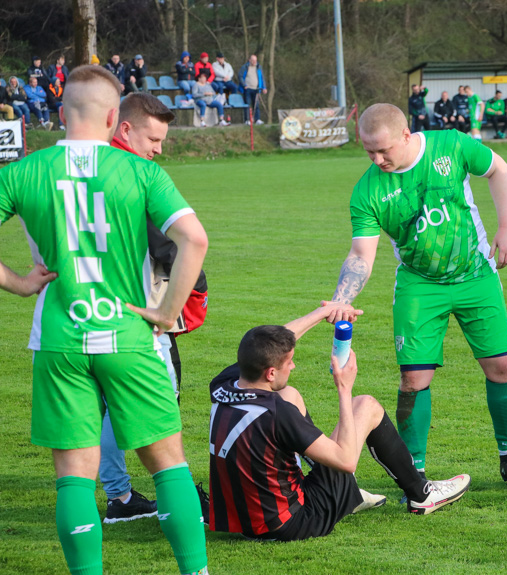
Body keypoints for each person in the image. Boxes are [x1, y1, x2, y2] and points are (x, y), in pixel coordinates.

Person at [0, 64, 209, 575]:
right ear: (116, 116)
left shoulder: (22, 171)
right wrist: (165, 312)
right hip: (129, 336)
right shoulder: (139, 171)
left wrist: (20, 283)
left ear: (58, 111)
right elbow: (195, 240)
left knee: (74, 475)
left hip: (60, 338)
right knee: (168, 465)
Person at [327, 103, 507, 491]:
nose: (377, 159)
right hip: (419, 285)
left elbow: (499, 169)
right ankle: (413, 470)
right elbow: (361, 255)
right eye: (368, 151)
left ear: (406, 135)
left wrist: (506, 227)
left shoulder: (451, 146)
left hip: (476, 275)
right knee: (413, 379)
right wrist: (342, 296)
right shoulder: (367, 191)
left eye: (383, 150)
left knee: (501, 368)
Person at [208, 304, 472, 541]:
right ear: (271, 372)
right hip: (291, 523)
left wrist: (323, 312)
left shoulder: (223, 385)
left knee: (290, 394)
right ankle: (421, 494)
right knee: (365, 405)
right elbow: (347, 461)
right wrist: (344, 388)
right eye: (289, 362)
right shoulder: (276, 413)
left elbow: (274, 345)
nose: (294, 366)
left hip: (244, 522)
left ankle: (348, 493)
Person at [103, 92, 211, 524]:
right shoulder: (137, 174)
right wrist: (192, 299)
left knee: (98, 412)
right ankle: (179, 501)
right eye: (153, 138)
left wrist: (21, 282)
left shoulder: (54, 167)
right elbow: (183, 242)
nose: (159, 150)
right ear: (124, 128)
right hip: (137, 319)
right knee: (162, 407)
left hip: (73, 319)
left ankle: (120, 497)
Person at [239, 54, 267, 125]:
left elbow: (262, 78)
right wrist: (244, 85)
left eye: (255, 60)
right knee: (247, 104)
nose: (254, 62)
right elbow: (240, 76)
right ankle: (247, 120)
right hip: (247, 88)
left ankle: (257, 119)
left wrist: (264, 87)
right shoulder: (245, 67)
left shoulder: (259, 67)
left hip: (256, 88)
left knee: (256, 105)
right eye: (253, 60)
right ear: (249, 60)